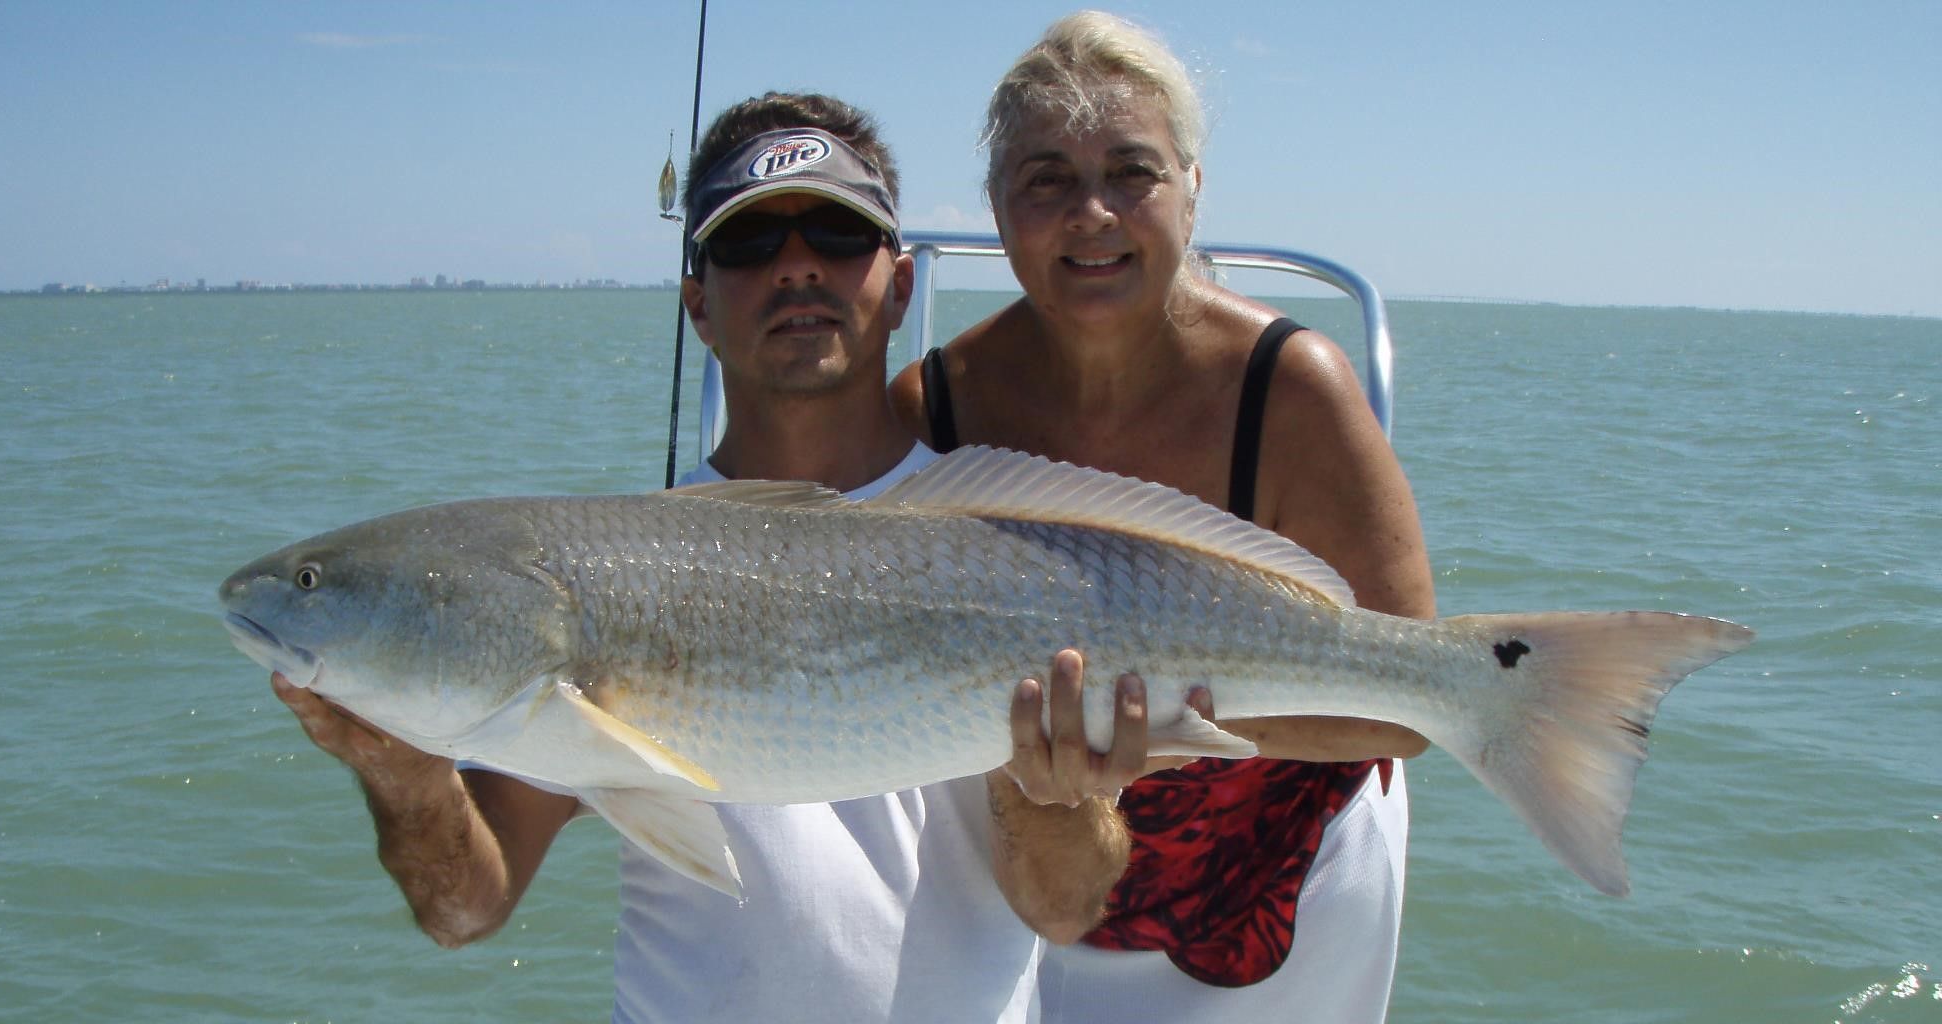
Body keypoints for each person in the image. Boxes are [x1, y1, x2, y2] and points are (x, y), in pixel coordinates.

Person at [269, 91, 1156, 1024]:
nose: (798, 267)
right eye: (749, 244)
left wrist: (1053, 793)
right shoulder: (601, 575)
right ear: (697, 302)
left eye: (837, 234)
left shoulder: (1012, 540)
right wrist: (405, 778)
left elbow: (1063, 910)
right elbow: (463, 908)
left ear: (898, 284)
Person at [889, 13, 1437, 1023]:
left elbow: (1404, 696)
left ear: (1193, 186)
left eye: (1131, 172)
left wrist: (1154, 725)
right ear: (998, 209)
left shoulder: (1293, 386)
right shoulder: (932, 406)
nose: (1090, 213)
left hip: (1278, 867)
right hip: (1035, 855)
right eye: (1044, 179)